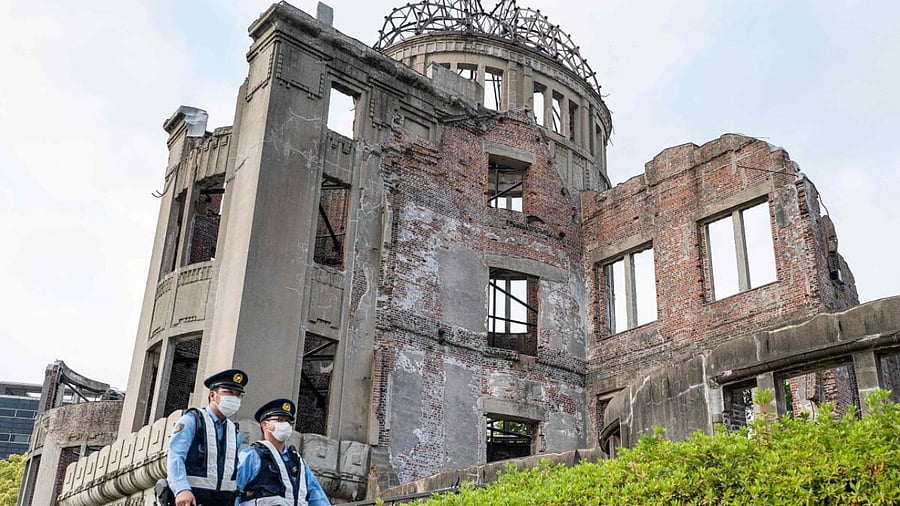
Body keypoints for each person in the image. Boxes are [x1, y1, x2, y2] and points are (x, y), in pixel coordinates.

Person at [166, 368, 248, 506]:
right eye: (228, 393)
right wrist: (181, 489)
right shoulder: (192, 420)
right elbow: (175, 456)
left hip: (224, 501)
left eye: (238, 395)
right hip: (191, 498)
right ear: (212, 395)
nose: (234, 398)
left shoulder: (235, 433)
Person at [236, 398, 331, 505]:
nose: (285, 425)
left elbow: (317, 496)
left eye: (288, 421)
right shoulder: (252, 456)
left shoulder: (298, 462)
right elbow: (233, 493)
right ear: (265, 425)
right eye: (280, 420)